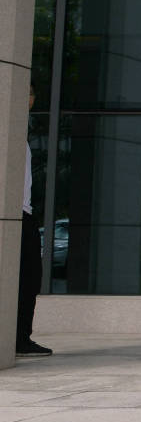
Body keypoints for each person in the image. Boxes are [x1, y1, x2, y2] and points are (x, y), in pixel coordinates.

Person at [15, 84, 47, 358]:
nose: (30, 98)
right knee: (26, 279)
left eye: (31, 93)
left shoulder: (20, 133)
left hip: (24, 214)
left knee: (30, 279)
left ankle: (20, 337)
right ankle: (18, 339)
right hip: (14, 215)